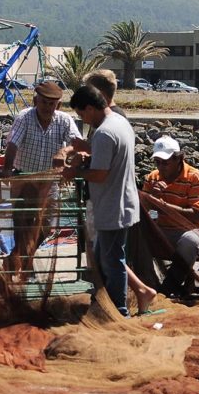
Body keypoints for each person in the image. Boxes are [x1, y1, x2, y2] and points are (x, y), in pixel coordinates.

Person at [61, 85, 155, 316]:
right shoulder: (120, 123)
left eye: (82, 115)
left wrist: (75, 173)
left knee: (112, 262)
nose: (82, 119)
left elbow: (101, 174)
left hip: (113, 206)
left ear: (91, 108)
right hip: (122, 202)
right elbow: (110, 158)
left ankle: (118, 311)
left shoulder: (103, 133)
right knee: (106, 257)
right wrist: (89, 149)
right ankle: (138, 293)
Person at [0, 81, 81, 279]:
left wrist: (66, 152)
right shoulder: (24, 118)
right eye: (44, 103)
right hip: (25, 177)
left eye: (52, 104)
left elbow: (78, 144)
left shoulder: (64, 120)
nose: (47, 108)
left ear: (58, 106)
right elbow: (12, 145)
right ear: (36, 101)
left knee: (48, 226)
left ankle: (17, 257)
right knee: (23, 224)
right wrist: (8, 171)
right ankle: (26, 266)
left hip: (50, 180)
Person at [140, 136, 199, 297]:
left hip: (192, 230)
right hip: (163, 229)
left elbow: (198, 215)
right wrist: (150, 196)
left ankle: (166, 289)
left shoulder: (196, 178)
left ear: (179, 159)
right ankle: (148, 283)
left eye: (165, 163)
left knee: (190, 241)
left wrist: (162, 206)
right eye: (157, 162)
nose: (160, 167)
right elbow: (142, 211)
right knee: (134, 236)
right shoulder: (153, 178)